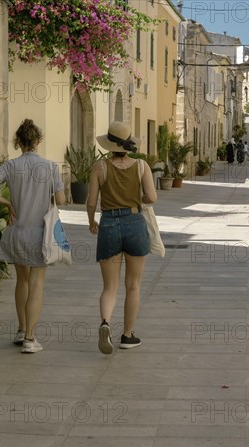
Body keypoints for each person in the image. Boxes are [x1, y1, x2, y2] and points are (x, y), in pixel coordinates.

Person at [0, 119, 65, 354]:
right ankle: (30, 338)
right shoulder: (50, 167)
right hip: (40, 234)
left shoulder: (10, 166)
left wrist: (7, 202)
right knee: (37, 283)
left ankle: (21, 329)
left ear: (19, 142)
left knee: (22, 281)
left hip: (16, 233)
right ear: (37, 141)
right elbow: (62, 200)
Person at [86, 121, 157, 354]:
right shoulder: (141, 166)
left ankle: (105, 322)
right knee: (133, 285)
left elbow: (91, 202)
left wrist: (91, 221)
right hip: (135, 223)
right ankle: (127, 335)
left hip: (108, 224)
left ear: (109, 144)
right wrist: (139, 202)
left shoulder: (100, 167)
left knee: (110, 287)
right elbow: (152, 197)